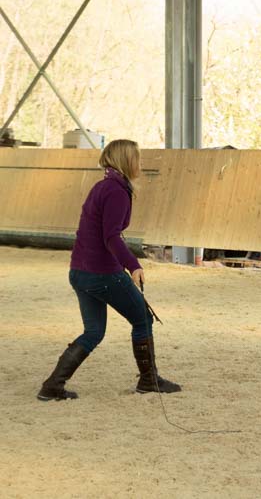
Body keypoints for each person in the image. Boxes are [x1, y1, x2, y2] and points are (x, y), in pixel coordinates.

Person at [38, 139, 181, 401]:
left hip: (79, 271)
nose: (140, 163)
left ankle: (52, 386)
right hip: (101, 272)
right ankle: (149, 380)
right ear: (126, 160)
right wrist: (134, 265)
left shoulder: (102, 187)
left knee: (94, 331)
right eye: (137, 158)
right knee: (142, 319)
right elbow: (111, 237)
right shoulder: (116, 191)